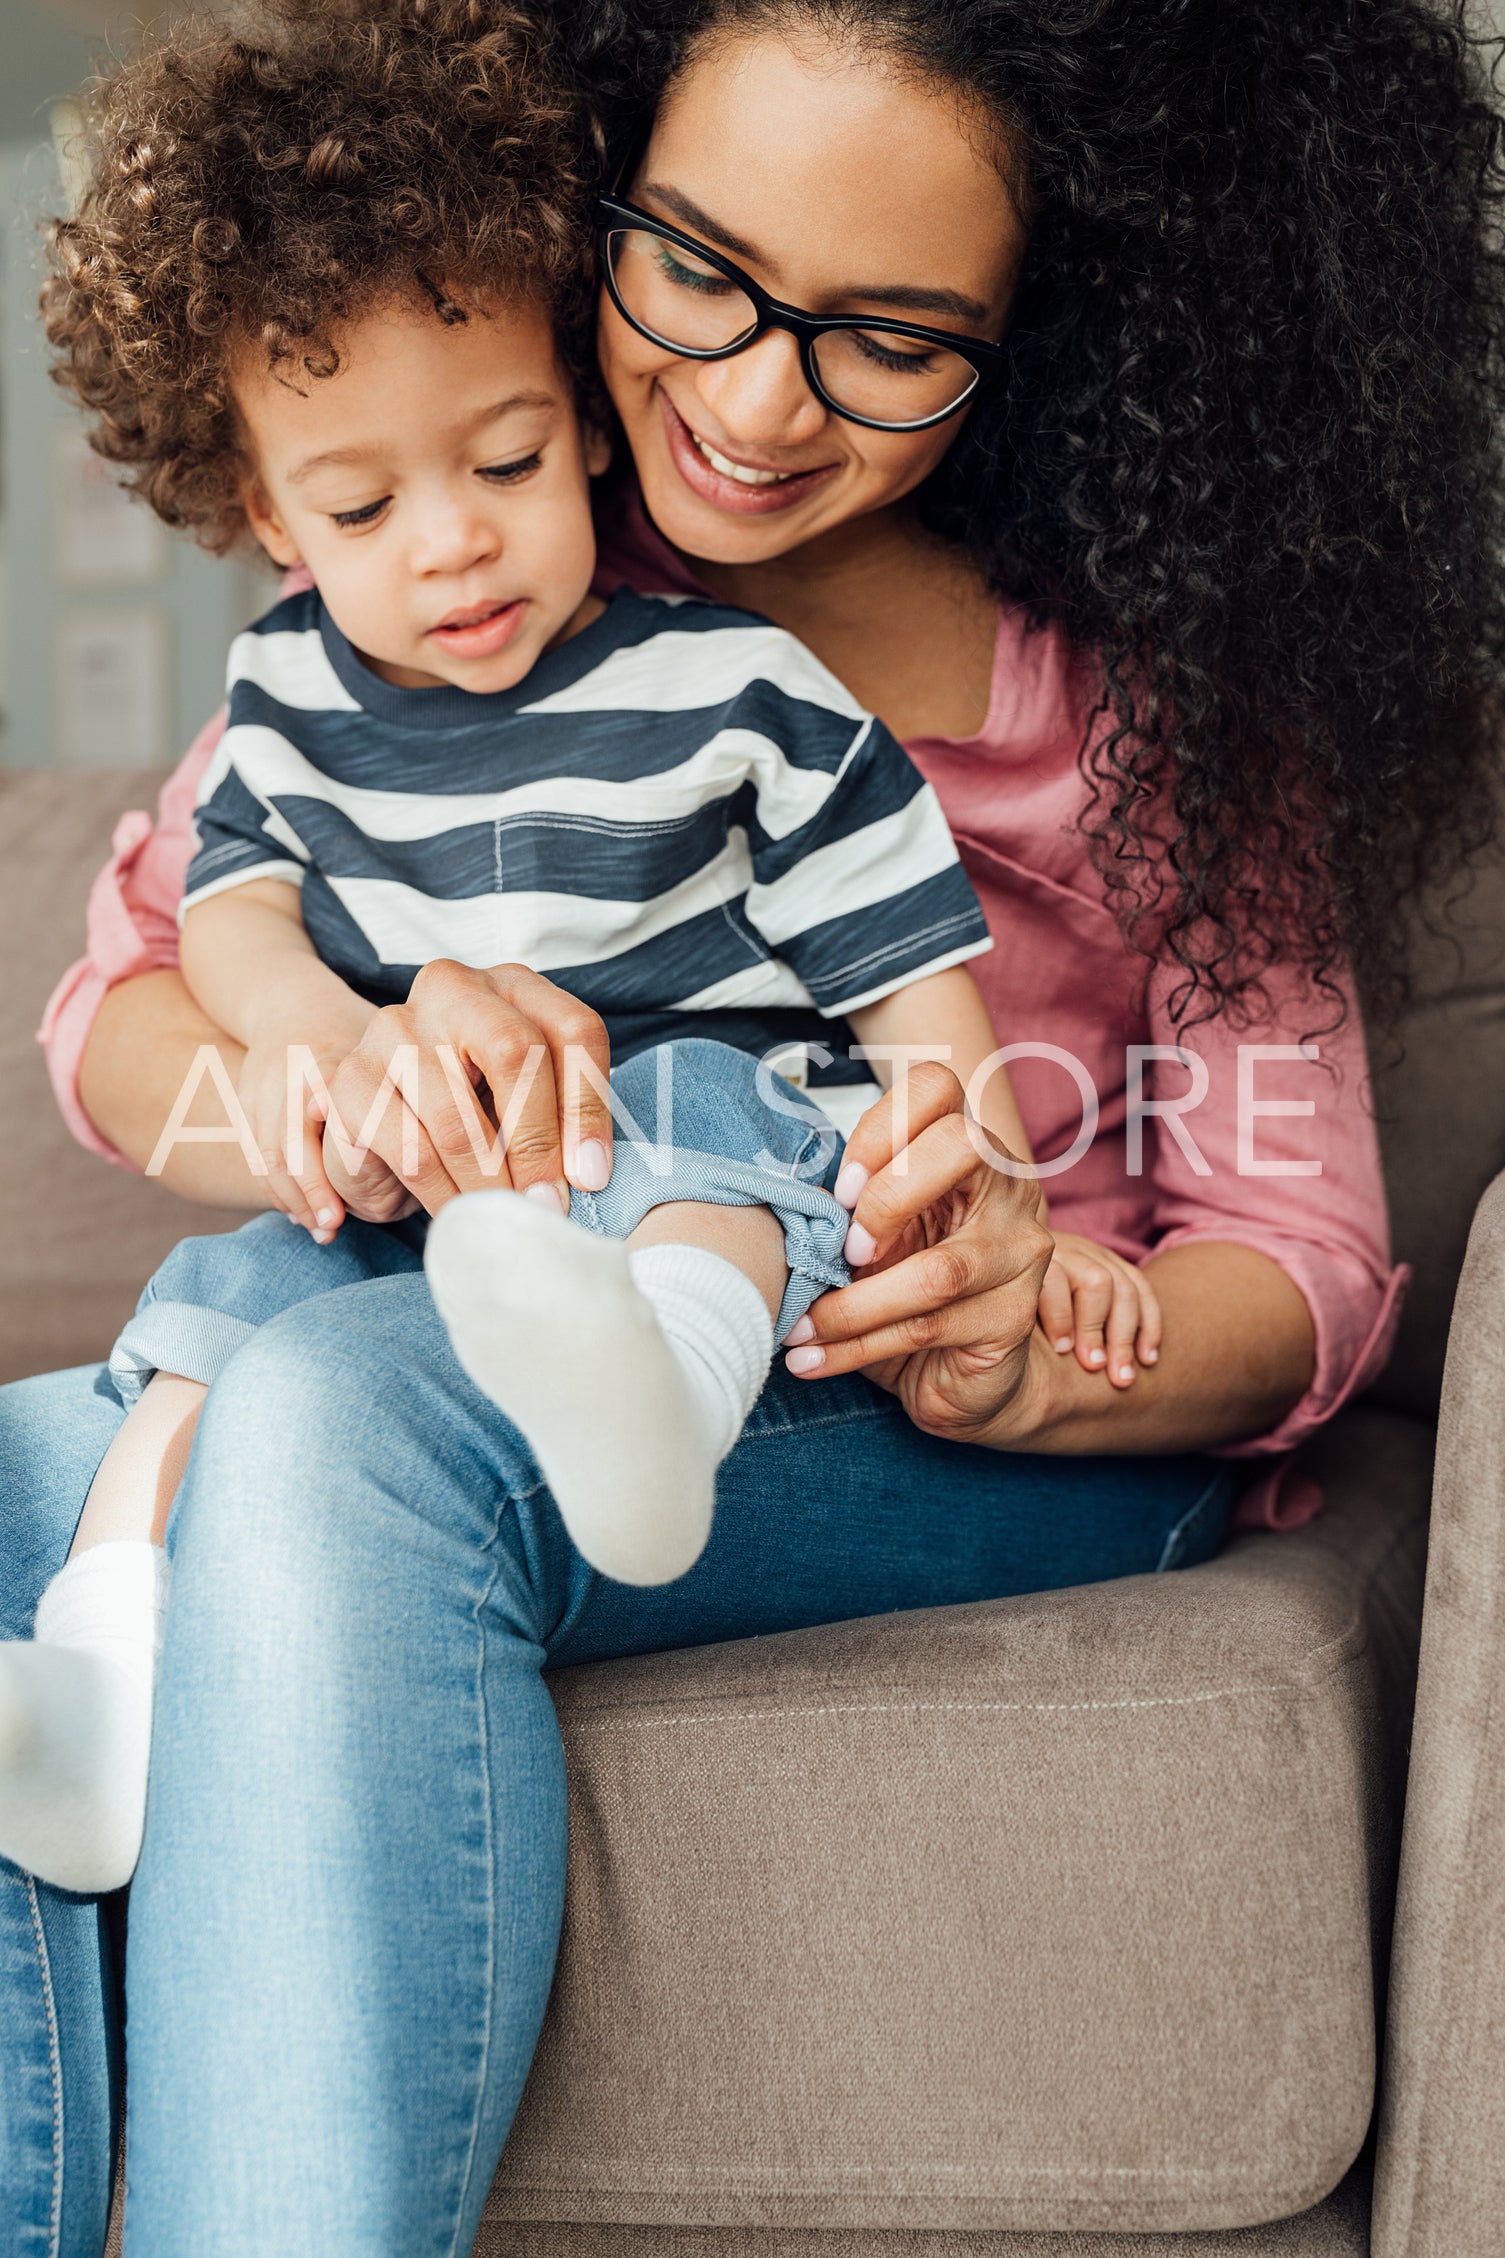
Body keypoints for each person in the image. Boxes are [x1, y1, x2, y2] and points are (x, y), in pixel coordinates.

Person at [4, 0, 1500, 2249]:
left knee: (342, 1425)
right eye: (693, 267)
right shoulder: (481, 563)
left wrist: (1037, 1318)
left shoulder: (1153, 720)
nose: (751, 394)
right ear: (585, 200)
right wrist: (343, 1074)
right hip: (481, 1282)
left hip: (918, 1393)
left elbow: (1306, 1270)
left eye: (890, 335)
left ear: (1046, 340)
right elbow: (122, 1003)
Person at [0, 3, 1137, 1894]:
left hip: (704, 1158)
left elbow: (902, 962)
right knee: (218, 1333)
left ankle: (657, 1400)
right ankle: (102, 1698)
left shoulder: (729, 682)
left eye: (506, 464)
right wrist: (319, 1053)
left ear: (585, 419)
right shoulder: (285, 682)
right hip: (427, 1229)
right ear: (271, 513)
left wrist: (975, 1160)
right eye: (363, 506)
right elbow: (227, 910)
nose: (449, 546)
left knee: (701, 1100)